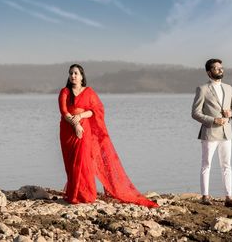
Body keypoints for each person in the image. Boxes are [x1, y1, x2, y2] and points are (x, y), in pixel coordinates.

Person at [58, 64, 158, 208]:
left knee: (83, 161)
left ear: (81, 76)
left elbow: (96, 110)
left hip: (84, 130)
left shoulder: (89, 92)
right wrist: (75, 124)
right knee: (71, 163)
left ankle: (86, 194)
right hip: (68, 131)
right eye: (71, 73)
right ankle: (73, 193)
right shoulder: (65, 92)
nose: (73, 76)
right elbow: (64, 111)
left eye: (76, 73)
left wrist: (80, 116)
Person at [191, 58, 232, 208]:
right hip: (210, 132)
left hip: (227, 133)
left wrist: (231, 113)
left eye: (221, 68)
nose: (220, 70)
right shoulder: (203, 89)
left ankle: (229, 198)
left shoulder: (228, 88)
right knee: (206, 164)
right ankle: (205, 197)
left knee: (227, 165)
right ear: (209, 72)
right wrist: (213, 120)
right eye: (216, 68)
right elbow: (195, 113)